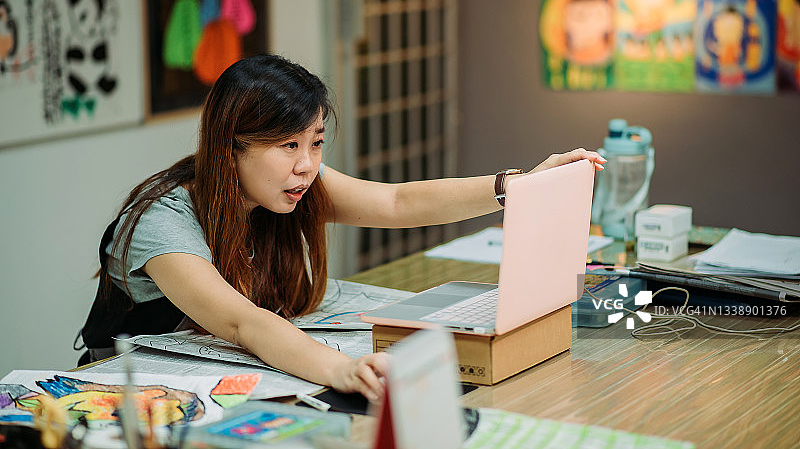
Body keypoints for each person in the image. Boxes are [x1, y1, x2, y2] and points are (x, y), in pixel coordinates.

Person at [77, 53, 606, 401]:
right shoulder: (161, 219)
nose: (307, 165)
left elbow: (396, 202)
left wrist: (514, 185)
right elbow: (242, 324)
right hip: (138, 392)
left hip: (232, 373)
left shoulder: (290, 183)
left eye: (315, 142)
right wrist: (339, 371)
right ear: (231, 146)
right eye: (288, 145)